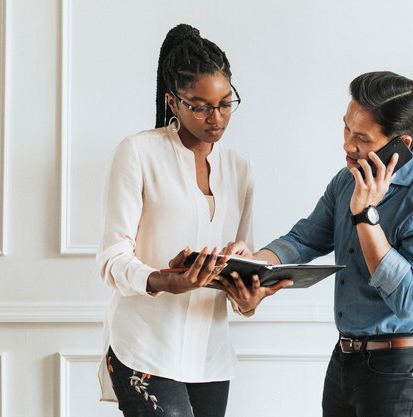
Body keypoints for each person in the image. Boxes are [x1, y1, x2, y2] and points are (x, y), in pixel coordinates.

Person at [222, 71, 413, 416]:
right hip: (346, 360)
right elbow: (303, 238)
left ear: (402, 145)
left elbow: (408, 299)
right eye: (346, 128)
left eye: (362, 138)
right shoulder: (345, 181)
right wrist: (254, 263)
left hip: (403, 367)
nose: (348, 145)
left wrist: (366, 214)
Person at [96, 24, 290, 417]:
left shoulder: (239, 167)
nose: (215, 117)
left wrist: (248, 296)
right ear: (173, 101)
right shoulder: (137, 153)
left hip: (210, 356)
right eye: (200, 106)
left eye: (225, 103)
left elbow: (241, 258)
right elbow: (111, 259)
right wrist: (171, 281)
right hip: (144, 350)